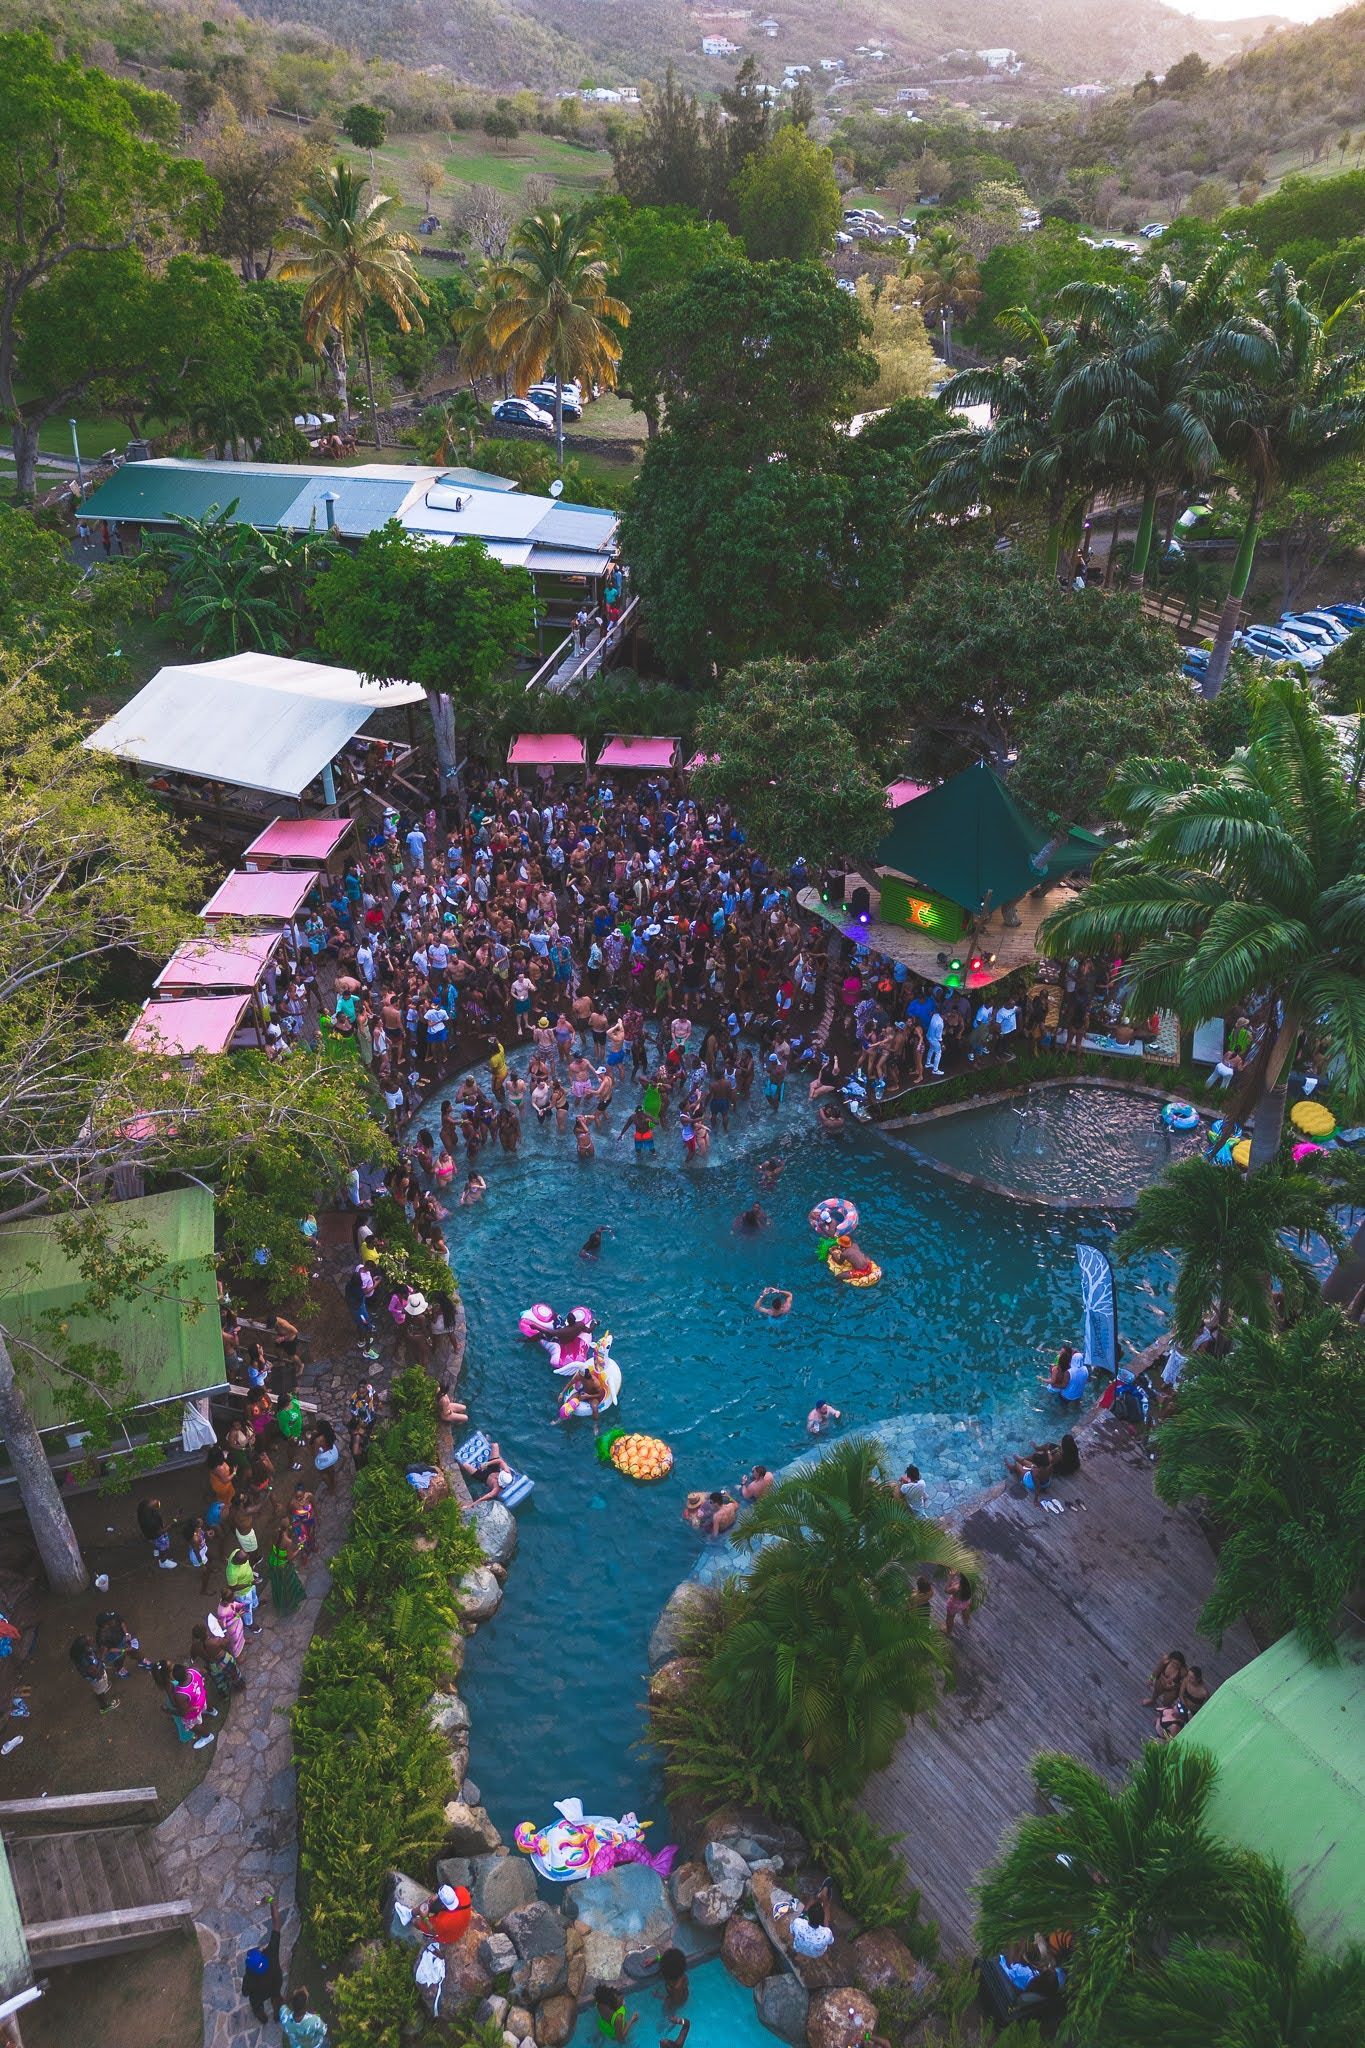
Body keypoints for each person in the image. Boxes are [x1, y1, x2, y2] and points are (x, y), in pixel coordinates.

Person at [241, 1899, 284, 2025]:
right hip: (276, 1983)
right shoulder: (271, 1953)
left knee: (255, 2003)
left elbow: (245, 1993)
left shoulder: (249, 1977)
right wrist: (272, 1901)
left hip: (260, 1995)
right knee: (276, 1997)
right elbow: (276, 1924)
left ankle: (262, 2016)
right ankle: (277, 2014)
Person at [70, 1634, 120, 1714]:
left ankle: (104, 1688)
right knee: (99, 1691)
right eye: (88, 1639)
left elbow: (95, 1654)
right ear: (84, 1646)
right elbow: (95, 1672)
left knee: (102, 1684)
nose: (91, 1638)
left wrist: (100, 1653)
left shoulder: (87, 1649)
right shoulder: (84, 1661)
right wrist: (102, 1658)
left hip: (100, 1673)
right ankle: (104, 1707)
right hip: (97, 1678)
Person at [137, 1495, 176, 1570]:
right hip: (157, 1536)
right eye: (153, 1503)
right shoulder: (152, 1521)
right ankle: (163, 1562)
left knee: (155, 1542)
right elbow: (162, 1531)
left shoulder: (143, 1514)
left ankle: (156, 1551)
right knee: (164, 1547)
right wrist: (175, 1520)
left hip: (149, 1535)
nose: (154, 1501)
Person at [944, 1571, 974, 1636]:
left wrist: (951, 1577)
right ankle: (966, 1623)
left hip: (954, 1606)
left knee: (950, 1617)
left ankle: (948, 1632)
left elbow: (946, 1590)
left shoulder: (956, 1588)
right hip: (964, 1603)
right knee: (965, 1611)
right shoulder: (971, 1585)